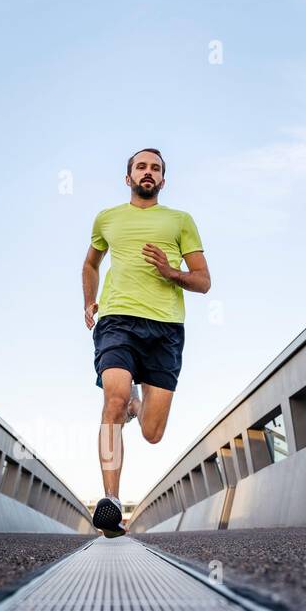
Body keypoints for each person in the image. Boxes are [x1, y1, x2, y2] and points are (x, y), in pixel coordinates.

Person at [82, 148, 210, 536]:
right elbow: (90, 263)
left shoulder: (180, 220)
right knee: (113, 400)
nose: (148, 172)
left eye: (155, 168)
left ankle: (138, 405)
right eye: (141, 166)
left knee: (152, 433)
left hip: (166, 329)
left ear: (163, 181)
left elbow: (203, 281)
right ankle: (112, 501)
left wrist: (171, 271)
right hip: (117, 320)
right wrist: (89, 300)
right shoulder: (107, 218)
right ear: (128, 177)